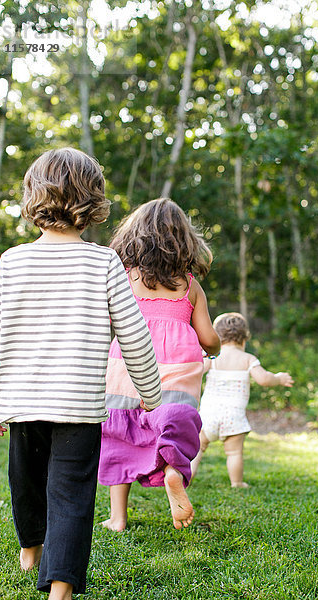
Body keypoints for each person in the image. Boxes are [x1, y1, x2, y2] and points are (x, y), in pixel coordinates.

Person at [0, 148, 162, 600]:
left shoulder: (12, 261)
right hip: (77, 404)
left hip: (23, 399)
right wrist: (150, 392)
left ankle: (31, 550)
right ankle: (59, 587)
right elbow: (134, 336)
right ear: (93, 202)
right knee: (71, 494)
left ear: (33, 198)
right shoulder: (102, 262)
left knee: (24, 480)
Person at [98, 197, 220, 532]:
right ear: (184, 240)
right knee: (174, 429)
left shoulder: (125, 278)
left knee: (119, 436)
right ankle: (173, 472)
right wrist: (217, 348)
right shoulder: (189, 286)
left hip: (128, 367)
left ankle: (118, 518)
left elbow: (108, 319)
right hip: (178, 372)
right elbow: (208, 338)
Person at [191, 312, 293, 488]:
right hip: (233, 417)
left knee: (197, 449)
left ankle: (187, 478)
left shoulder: (214, 356)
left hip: (209, 413)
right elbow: (264, 379)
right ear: (245, 339)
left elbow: (197, 370)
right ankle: (236, 482)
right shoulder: (248, 359)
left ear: (217, 336)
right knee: (234, 452)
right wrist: (278, 378)